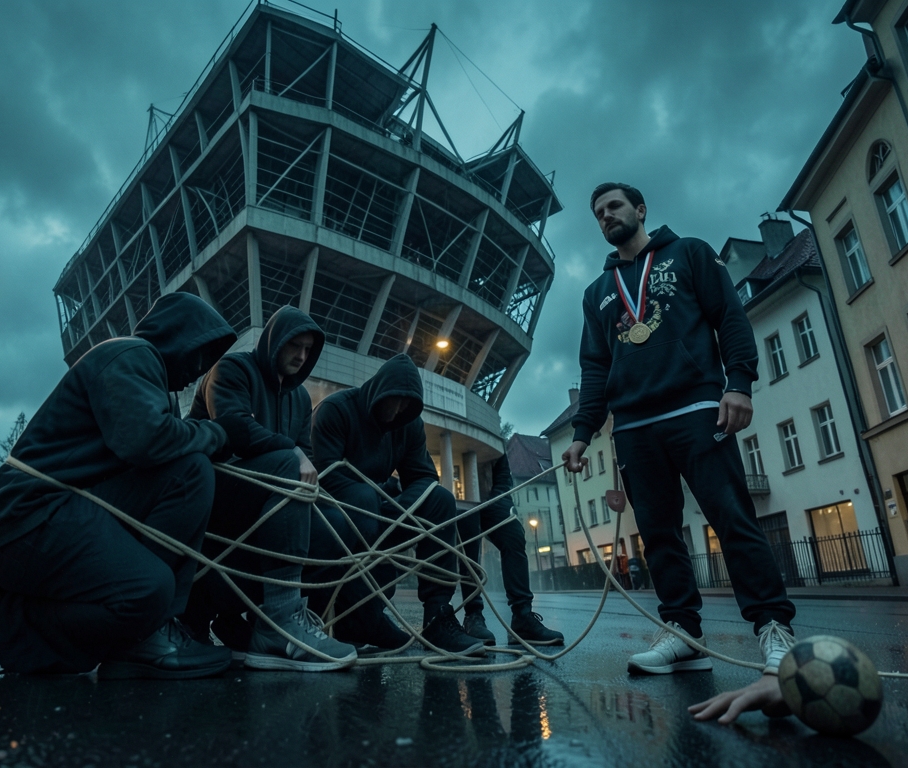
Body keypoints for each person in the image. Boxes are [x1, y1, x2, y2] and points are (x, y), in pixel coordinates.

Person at [0, 293, 246, 680]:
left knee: (191, 472)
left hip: (54, 511)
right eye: (200, 354)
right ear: (179, 337)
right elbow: (146, 440)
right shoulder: (133, 356)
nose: (200, 369)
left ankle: (149, 628)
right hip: (28, 519)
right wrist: (219, 433)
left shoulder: (151, 379)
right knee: (148, 589)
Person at [562, 182, 796, 719]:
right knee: (659, 535)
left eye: (614, 206)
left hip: (697, 408)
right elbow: (594, 367)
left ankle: (773, 628)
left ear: (640, 210)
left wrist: (739, 383)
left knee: (732, 517)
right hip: (634, 426)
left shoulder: (689, 253)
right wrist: (582, 432)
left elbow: (729, 317)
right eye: (598, 213)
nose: (606, 216)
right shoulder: (597, 292)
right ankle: (683, 634)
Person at [184, 306, 357, 672]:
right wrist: (293, 453)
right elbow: (235, 430)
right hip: (209, 496)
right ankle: (281, 620)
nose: (302, 355)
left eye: (308, 349)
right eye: (294, 345)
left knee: (335, 523)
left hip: (267, 500)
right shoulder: (231, 369)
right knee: (287, 468)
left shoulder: (301, 398)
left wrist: (299, 459)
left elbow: (307, 458)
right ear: (274, 341)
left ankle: (271, 624)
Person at [311, 353, 483, 656]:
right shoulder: (335, 410)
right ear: (378, 391)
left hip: (379, 510)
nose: (396, 411)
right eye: (393, 401)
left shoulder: (409, 424)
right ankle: (361, 617)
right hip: (334, 516)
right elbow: (324, 476)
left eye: (405, 405)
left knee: (440, 499)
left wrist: (403, 507)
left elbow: (423, 477)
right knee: (364, 500)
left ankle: (437, 617)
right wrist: (376, 495)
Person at [456, 453, 564, 647]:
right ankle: (473, 616)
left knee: (513, 535)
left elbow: (499, 453)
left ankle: (522, 617)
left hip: (495, 488)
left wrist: (500, 493)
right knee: (468, 542)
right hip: (459, 488)